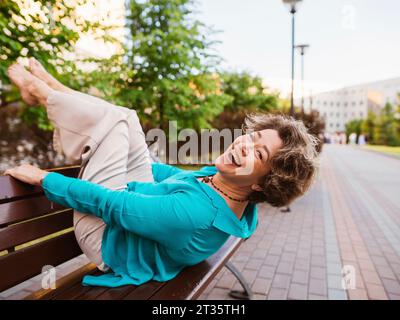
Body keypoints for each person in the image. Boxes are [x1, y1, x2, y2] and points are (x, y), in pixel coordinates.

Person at [4, 59, 320, 288]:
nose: (243, 145)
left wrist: (44, 179)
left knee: (114, 125)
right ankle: (55, 93)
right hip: (125, 211)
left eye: (259, 153)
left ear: (263, 184)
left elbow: (112, 205)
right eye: (252, 137)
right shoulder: (223, 186)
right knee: (126, 119)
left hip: (106, 237)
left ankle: (46, 94)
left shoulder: (199, 214)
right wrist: (131, 148)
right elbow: (165, 173)